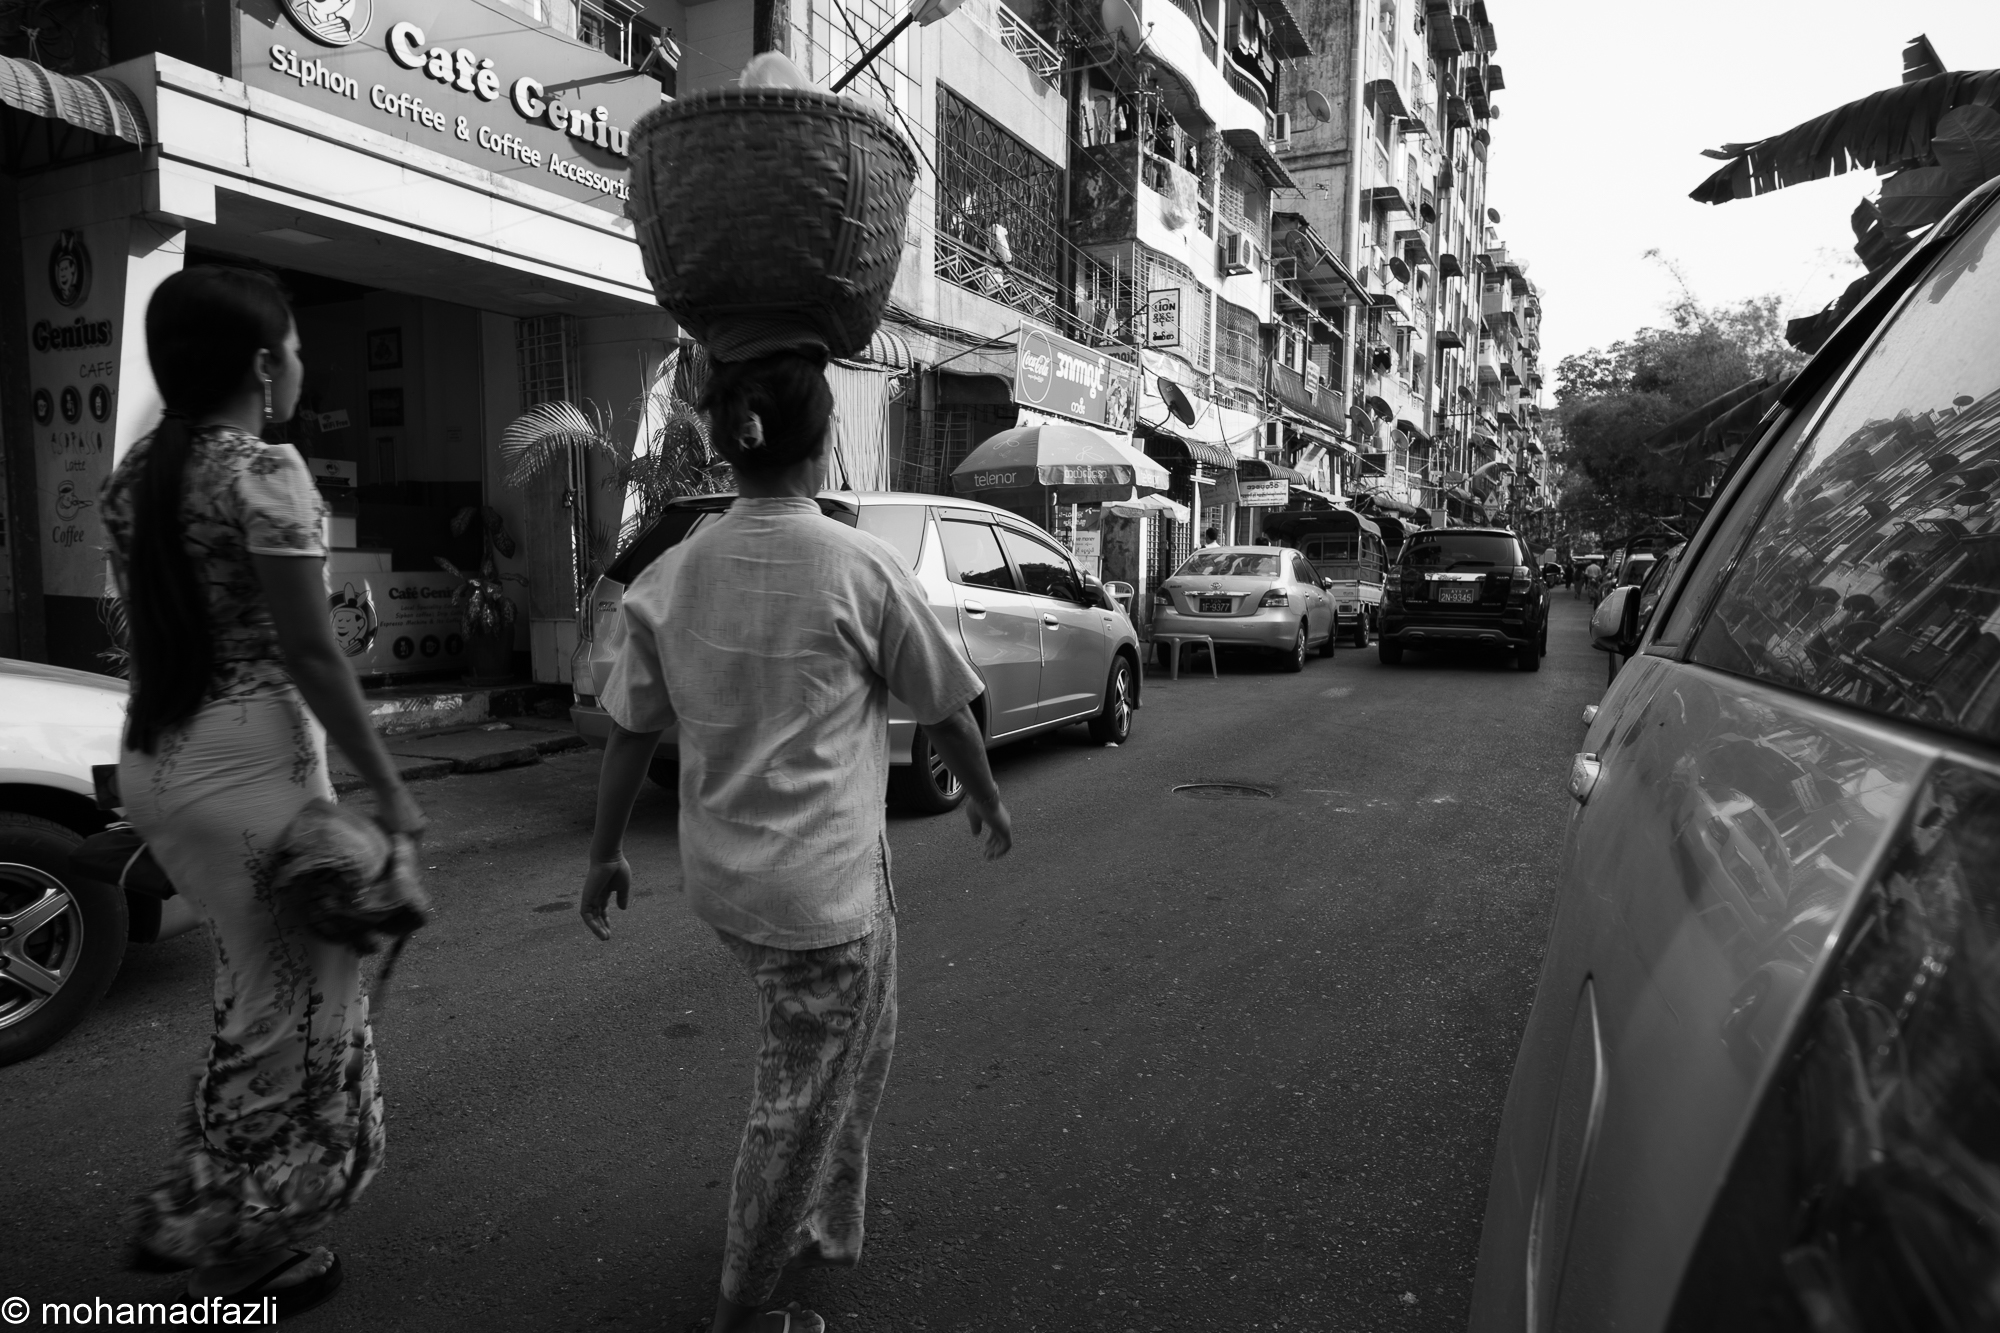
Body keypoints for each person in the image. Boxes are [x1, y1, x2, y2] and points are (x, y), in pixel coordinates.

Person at [581, 350, 1013, 1333]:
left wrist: (604, 851)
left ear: (730, 448)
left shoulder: (674, 572)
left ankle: (815, 1214)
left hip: (736, 887)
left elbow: (628, 730)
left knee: (862, 1050)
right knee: (801, 1098)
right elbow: (946, 708)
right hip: (822, 906)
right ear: (823, 445)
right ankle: (747, 1304)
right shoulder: (858, 564)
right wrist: (983, 798)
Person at [101, 267, 426, 1317]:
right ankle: (227, 1248)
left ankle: (228, 1217)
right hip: (253, 765)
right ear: (258, 362)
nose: (298, 363)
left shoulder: (138, 473)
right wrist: (389, 791)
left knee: (258, 996)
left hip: (164, 756)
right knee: (287, 1016)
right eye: (290, 347)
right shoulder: (265, 472)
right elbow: (313, 656)